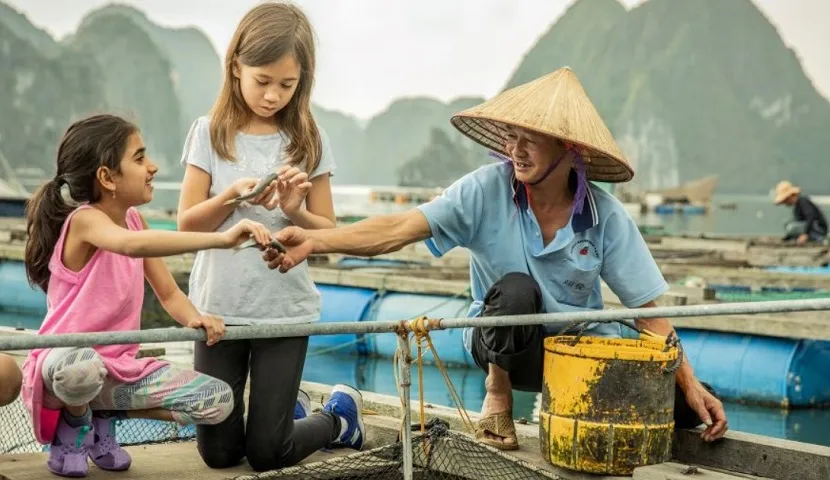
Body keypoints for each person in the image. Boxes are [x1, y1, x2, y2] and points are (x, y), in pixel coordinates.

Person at [262, 67, 729, 450]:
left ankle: (567, 407)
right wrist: (313, 239)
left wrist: (689, 384)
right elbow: (396, 230)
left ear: (569, 149)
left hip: (574, 352)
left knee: (685, 408)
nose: (515, 148)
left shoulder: (603, 215)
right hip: (503, 344)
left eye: (531, 139)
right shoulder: (484, 190)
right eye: (511, 136)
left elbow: (650, 314)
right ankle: (498, 396)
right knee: (517, 289)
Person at [20, 114, 272, 478]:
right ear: (107, 178)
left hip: (117, 371)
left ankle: (101, 413)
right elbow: (130, 246)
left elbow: (168, 292)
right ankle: (74, 427)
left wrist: (193, 317)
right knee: (82, 368)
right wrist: (222, 238)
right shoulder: (84, 221)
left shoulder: (136, 220)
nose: (152, 167)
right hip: (63, 366)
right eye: (139, 158)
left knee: (218, 401)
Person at [176, 2, 364, 472]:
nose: (272, 96)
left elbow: (331, 232)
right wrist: (234, 195)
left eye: (287, 84)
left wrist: (294, 209)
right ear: (235, 65)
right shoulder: (210, 133)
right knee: (218, 454)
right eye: (263, 80)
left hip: (285, 309)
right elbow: (186, 224)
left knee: (267, 455)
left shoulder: (309, 139)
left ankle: (338, 420)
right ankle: (283, 415)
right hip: (218, 309)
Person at [774, 181, 828, 245]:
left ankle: (820, 239)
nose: (785, 203)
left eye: (785, 200)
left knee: (792, 227)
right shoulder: (797, 205)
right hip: (810, 228)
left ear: (790, 196)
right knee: (788, 223)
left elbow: (811, 217)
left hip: (817, 229)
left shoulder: (803, 202)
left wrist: (805, 234)